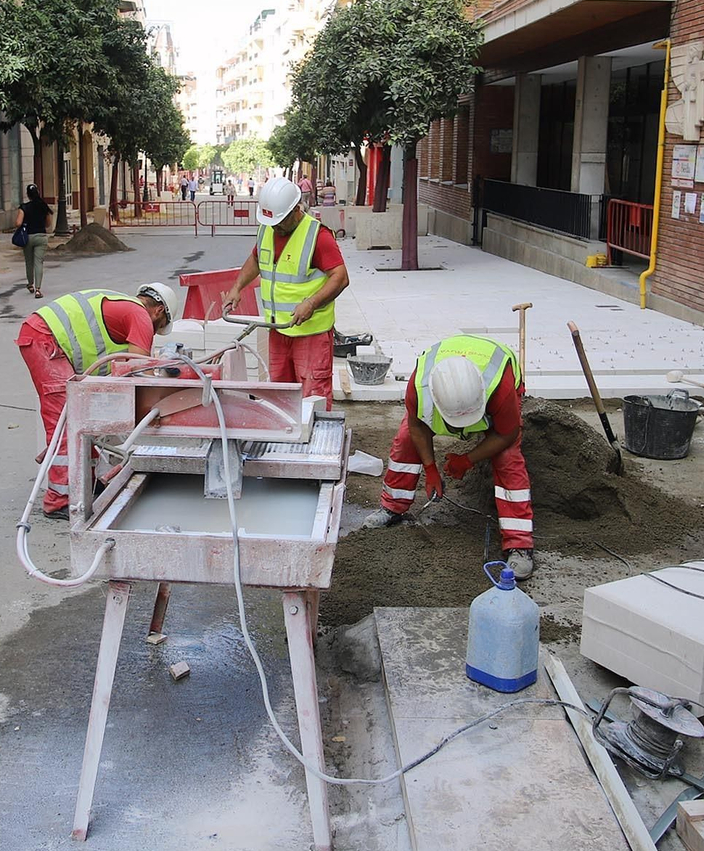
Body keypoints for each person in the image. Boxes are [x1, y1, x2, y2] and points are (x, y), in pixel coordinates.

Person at [365, 335, 535, 579]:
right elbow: (416, 427)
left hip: (496, 393)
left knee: (508, 459)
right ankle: (392, 507)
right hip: (447, 393)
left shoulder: (500, 385)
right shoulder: (420, 386)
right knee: (405, 440)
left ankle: (520, 544)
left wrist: (468, 459)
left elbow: (506, 435)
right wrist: (430, 469)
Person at [16, 282, 178, 520]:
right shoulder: (141, 317)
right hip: (45, 339)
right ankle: (59, 500)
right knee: (67, 421)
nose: (153, 335)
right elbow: (136, 375)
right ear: (159, 311)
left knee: (82, 417)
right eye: (160, 327)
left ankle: (86, 486)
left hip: (44, 336)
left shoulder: (124, 310)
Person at [220, 176, 349, 408]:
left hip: (311, 332)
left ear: (296, 210)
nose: (276, 227)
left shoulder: (317, 236)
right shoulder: (268, 228)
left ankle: (316, 442)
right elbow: (256, 259)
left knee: (313, 395)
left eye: (280, 221)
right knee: (280, 393)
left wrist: (311, 303)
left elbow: (340, 278)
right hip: (278, 330)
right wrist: (237, 287)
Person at [16, 184, 51, 298]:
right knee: (38, 262)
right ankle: (38, 289)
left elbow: (18, 223)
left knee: (29, 262)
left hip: (28, 238)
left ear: (28, 195)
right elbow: (48, 223)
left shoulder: (24, 207)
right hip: (41, 237)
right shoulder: (43, 206)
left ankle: (30, 284)